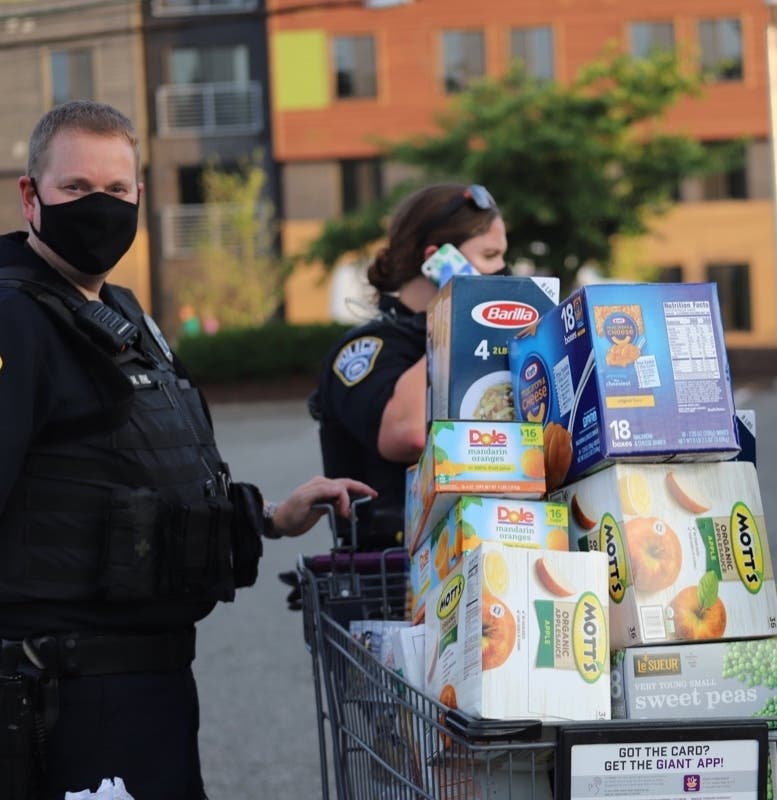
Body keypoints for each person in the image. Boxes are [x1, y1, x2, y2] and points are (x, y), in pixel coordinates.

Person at [0, 101, 376, 799]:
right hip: (65, 694)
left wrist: (270, 515)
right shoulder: (13, 317)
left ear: (139, 195)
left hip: (151, 687)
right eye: (76, 187)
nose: (100, 207)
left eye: (116, 189)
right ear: (31, 196)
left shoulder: (121, 314)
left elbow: (141, 480)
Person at [309, 182, 508, 550]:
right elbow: (409, 434)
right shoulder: (368, 349)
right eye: (490, 255)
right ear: (439, 260)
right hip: (393, 563)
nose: (502, 270)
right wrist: (462, 307)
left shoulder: (487, 342)